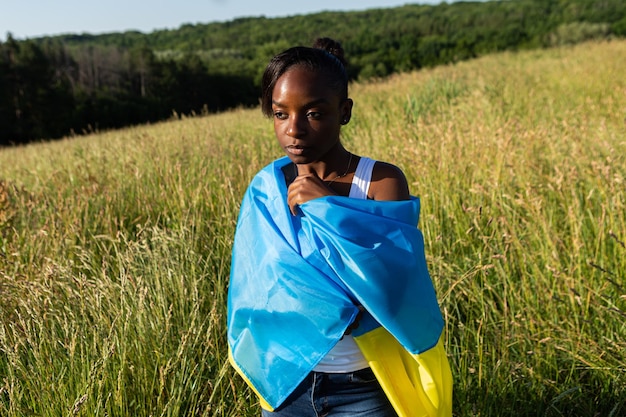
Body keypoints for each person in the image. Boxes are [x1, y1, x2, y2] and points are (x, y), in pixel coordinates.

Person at [227, 38, 452, 417]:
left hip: (363, 387)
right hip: (287, 381)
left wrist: (326, 206)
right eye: (281, 114)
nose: (293, 130)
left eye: (313, 113)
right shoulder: (266, 189)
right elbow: (254, 292)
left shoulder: (379, 182)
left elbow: (397, 291)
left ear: (343, 111)